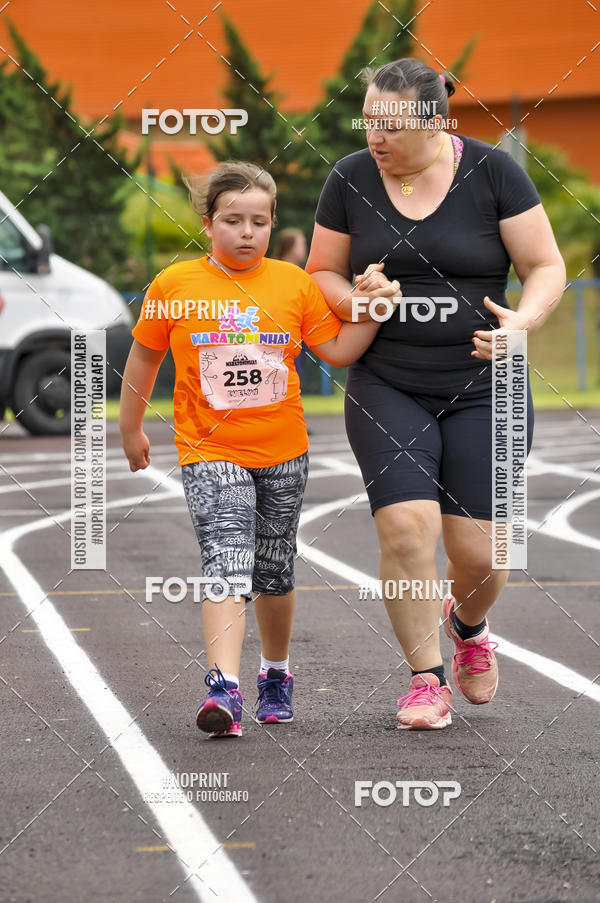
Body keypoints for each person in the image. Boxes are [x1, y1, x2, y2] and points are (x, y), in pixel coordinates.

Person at [306, 59, 566, 730]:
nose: (375, 137)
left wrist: (522, 322)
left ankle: (469, 625)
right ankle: (426, 679)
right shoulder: (350, 178)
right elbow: (321, 273)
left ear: (434, 123)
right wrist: (359, 296)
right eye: (368, 122)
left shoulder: (493, 172)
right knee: (405, 529)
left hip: (486, 388)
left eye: (389, 126)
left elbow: (545, 265)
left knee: (482, 552)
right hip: (388, 381)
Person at [119, 161, 394, 738]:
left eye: (260, 222)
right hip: (209, 448)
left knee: (274, 569)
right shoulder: (174, 286)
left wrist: (376, 309)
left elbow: (338, 351)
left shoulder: (293, 284)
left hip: (283, 449)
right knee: (226, 559)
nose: (247, 232)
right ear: (207, 222)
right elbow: (144, 356)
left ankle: (275, 672)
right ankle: (223, 686)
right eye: (233, 221)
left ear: (272, 224)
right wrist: (131, 428)